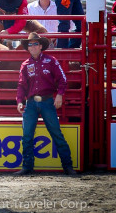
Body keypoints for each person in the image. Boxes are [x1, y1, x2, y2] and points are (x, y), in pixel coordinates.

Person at [15, 32, 75, 175]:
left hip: (48, 100)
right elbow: (21, 85)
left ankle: (68, 166)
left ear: (41, 46)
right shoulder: (25, 65)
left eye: (36, 44)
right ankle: (27, 167)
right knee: (27, 136)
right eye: (30, 44)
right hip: (30, 103)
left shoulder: (51, 60)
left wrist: (59, 95)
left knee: (56, 133)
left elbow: (62, 79)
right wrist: (19, 101)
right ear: (28, 48)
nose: (33, 46)